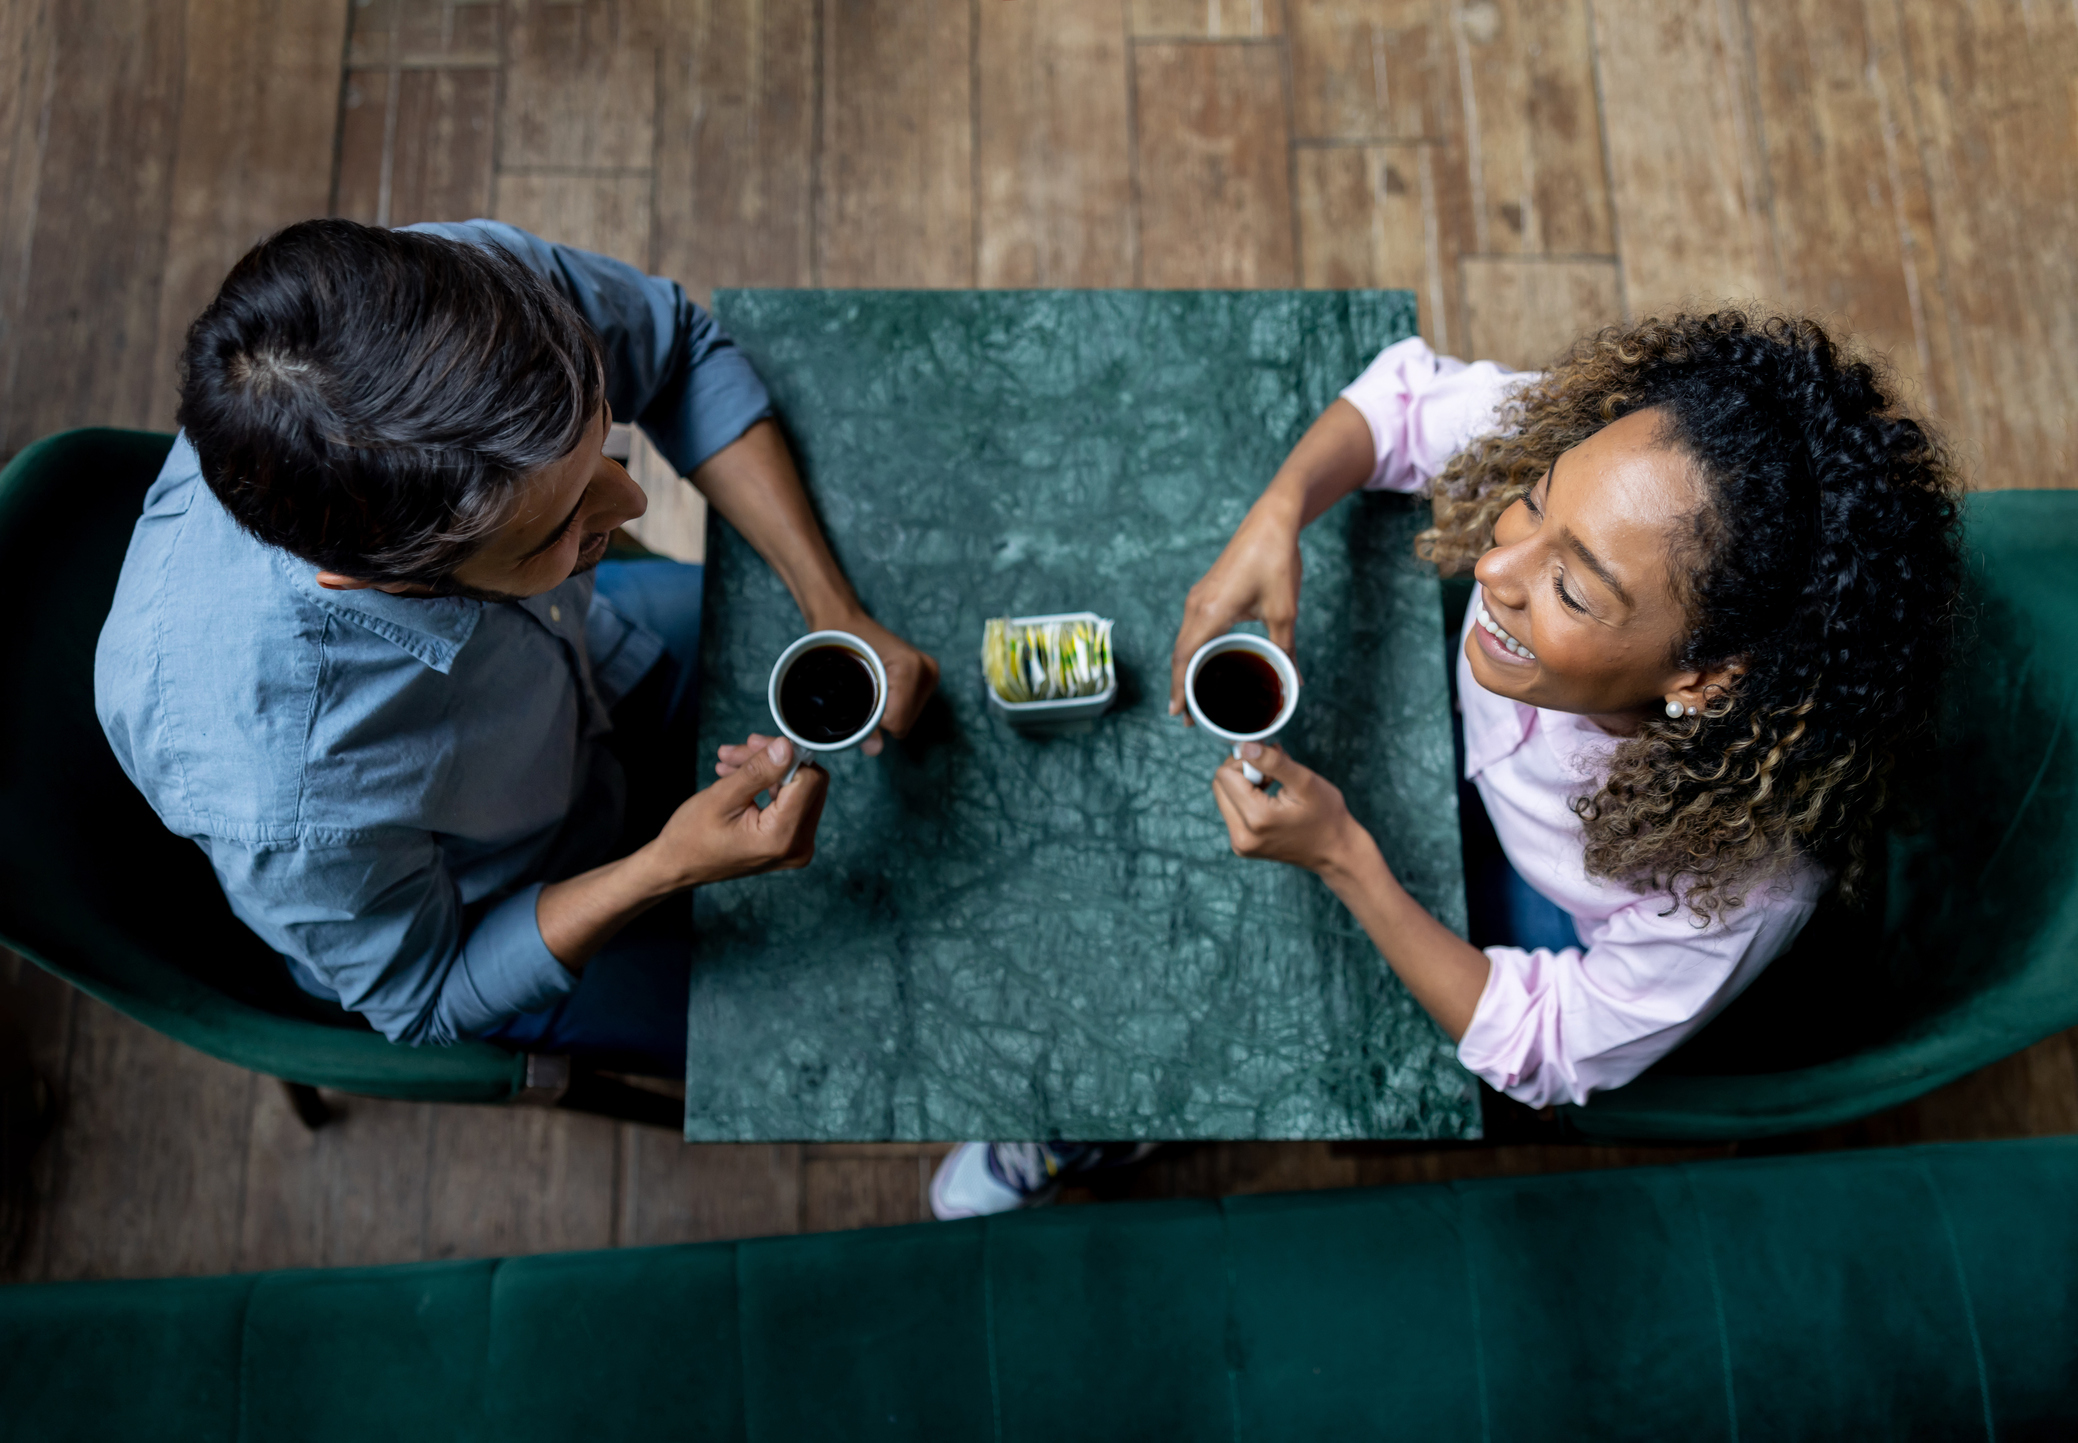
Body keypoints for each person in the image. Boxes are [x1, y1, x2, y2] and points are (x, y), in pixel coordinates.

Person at [930, 310, 1961, 1217]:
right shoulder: (1617, 484)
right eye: (1531, 499)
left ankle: (1108, 1123)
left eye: (1571, 589)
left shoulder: (1728, 891)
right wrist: (1281, 508)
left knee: (1262, 1017)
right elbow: (1404, 402)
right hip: (1449, 762)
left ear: (1704, 681)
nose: (1493, 565)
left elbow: (1551, 1050)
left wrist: (1344, 858)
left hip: (1537, 918)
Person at [95, 219, 938, 1077]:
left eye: (601, 436)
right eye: (560, 528)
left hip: (588, 661)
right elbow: (427, 993)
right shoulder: (284, 789)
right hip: (516, 894)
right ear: (396, 579)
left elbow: (676, 350)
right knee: (859, 1039)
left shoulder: (465, 309)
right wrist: (662, 868)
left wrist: (836, 610)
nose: (635, 501)